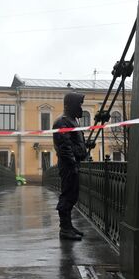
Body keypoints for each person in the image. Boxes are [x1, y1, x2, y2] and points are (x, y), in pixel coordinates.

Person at [53, 92, 87, 241]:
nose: (80, 107)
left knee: (72, 195)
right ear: (69, 105)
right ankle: (64, 229)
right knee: (67, 195)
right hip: (68, 166)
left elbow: (74, 143)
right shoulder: (62, 122)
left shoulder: (72, 121)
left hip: (74, 164)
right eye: (78, 104)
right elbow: (64, 147)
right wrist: (72, 163)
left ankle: (69, 226)